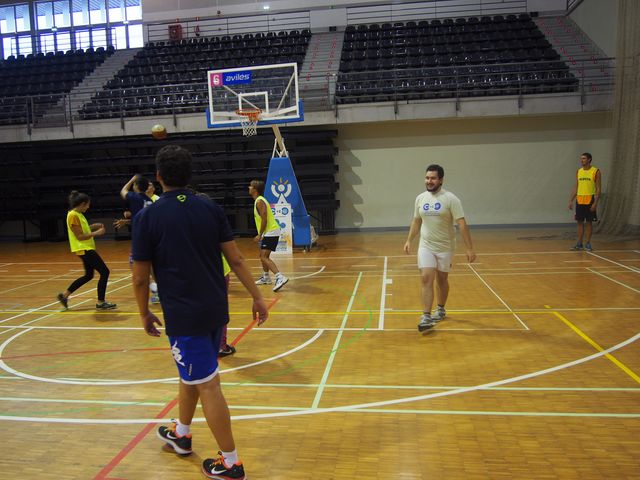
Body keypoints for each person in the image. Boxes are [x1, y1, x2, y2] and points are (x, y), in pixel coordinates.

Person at [131, 145, 269, 479]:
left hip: (185, 315)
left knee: (207, 383)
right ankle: (181, 432)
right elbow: (236, 259)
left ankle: (231, 462)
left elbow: (139, 277)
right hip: (214, 310)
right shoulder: (209, 207)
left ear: (159, 177)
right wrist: (257, 296)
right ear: (189, 175)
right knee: (191, 374)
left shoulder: (147, 216)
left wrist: (144, 314)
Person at [403, 165, 476, 332]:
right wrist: (409, 240)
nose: (429, 181)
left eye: (433, 178)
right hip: (426, 245)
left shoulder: (451, 199)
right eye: (427, 178)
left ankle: (441, 309)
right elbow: (416, 221)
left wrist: (470, 248)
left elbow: (462, 224)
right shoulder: (420, 198)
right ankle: (426, 316)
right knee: (426, 278)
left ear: (441, 180)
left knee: (442, 280)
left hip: (445, 247)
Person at [56, 191, 117, 311]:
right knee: (105, 272)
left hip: (85, 248)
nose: (88, 207)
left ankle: (64, 296)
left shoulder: (78, 214)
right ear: (82, 204)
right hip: (84, 248)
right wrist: (97, 233)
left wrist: (93, 226)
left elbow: (83, 230)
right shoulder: (73, 215)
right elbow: (79, 236)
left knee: (88, 275)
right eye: (87, 204)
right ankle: (101, 302)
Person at [248, 180, 289, 292]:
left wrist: (259, 234)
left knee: (264, 257)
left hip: (270, 231)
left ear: (255, 189)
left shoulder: (260, 201)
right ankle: (266, 277)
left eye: (251, 186)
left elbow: (264, 218)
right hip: (269, 232)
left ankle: (280, 277)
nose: (249, 187)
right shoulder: (258, 200)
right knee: (262, 255)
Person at [568, 152, 601, 252]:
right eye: (581, 158)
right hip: (580, 199)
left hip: (590, 199)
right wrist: (571, 200)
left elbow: (599, 188)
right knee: (579, 222)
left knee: (589, 222)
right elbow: (576, 186)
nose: (581, 160)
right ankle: (579, 243)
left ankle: (588, 243)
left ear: (589, 160)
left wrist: (595, 203)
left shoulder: (596, 171)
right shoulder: (579, 171)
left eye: (584, 158)